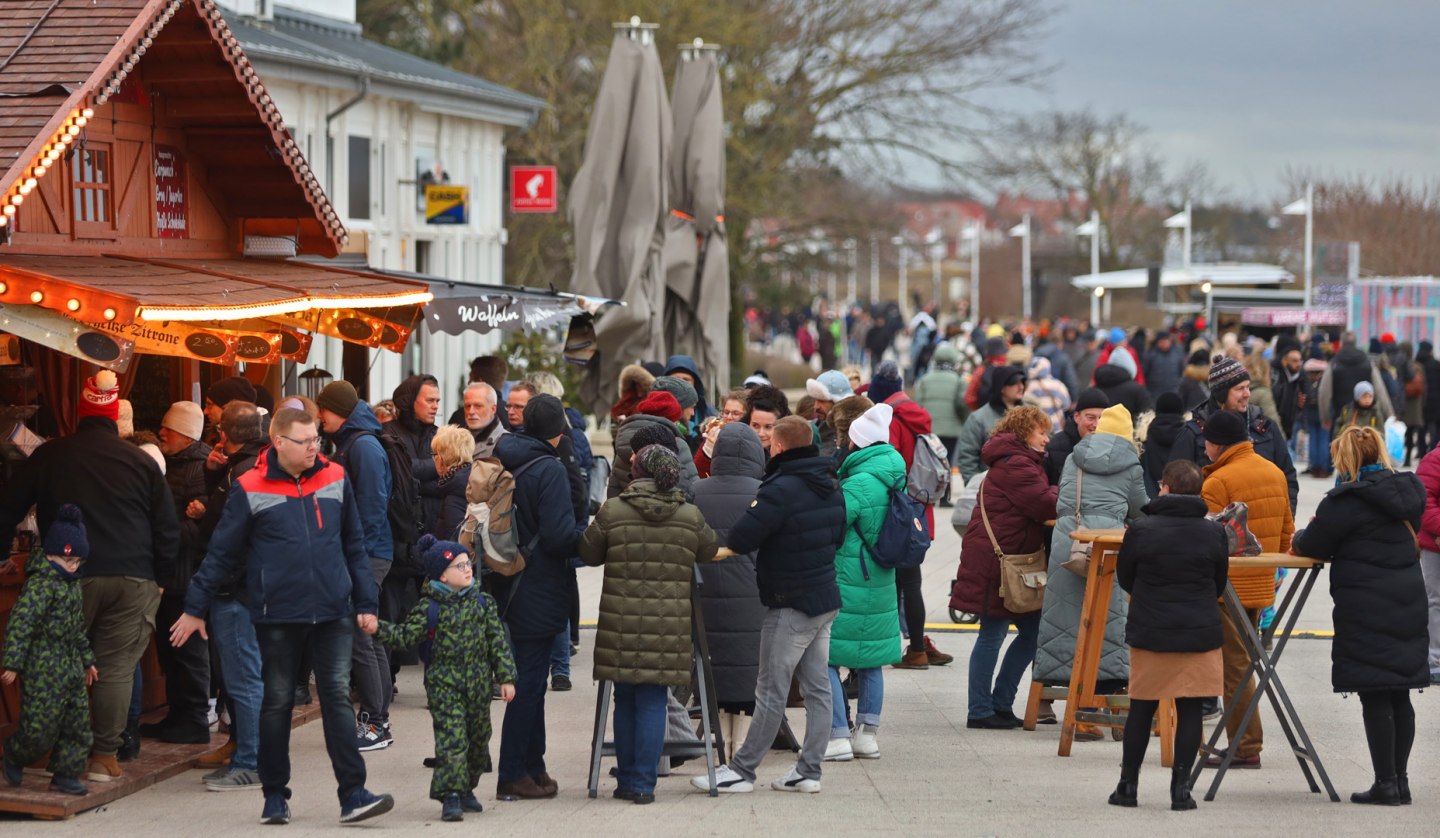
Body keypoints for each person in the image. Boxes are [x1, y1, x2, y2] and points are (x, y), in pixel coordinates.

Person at [171, 408, 392, 825]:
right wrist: (195, 607)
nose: (315, 447)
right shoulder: (248, 485)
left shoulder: (335, 476)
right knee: (275, 704)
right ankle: (274, 796)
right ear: (279, 444)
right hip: (277, 615)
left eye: (316, 439)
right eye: (306, 441)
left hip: (332, 611)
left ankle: (354, 794)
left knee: (337, 700)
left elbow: (354, 544)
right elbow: (221, 553)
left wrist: (366, 603)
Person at [0, 371, 178, 784]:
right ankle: (103, 758)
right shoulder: (140, 460)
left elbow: (8, 509)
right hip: (133, 576)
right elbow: (166, 527)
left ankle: (52, 751)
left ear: (79, 414)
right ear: (114, 416)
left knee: (60, 667)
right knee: (115, 669)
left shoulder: (49, 455)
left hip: (66, 578)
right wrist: (162, 578)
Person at [693, 416, 844, 794]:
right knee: (818, 687)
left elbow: (744, 535)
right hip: (824, 596)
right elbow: (838, 535)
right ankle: (809, 771)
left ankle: (742, 771)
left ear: (777, 447)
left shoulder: (779, 487)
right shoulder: (829, 482)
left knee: (770, 689)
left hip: (789, 602)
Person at [1291, 427, 1427, 805]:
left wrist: (1298, 538)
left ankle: (1384, 783)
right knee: (1400, 692)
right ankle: (1400, 781)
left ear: (1345, 460)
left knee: (1375, 694)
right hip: (1407, 599)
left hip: (1367, 604)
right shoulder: (1405, 494)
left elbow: (1314, 542)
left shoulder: (1345, 502)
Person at [581, 444, 717, 803]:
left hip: (619, 625)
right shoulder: (689, 515)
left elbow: (589, 553)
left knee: (624, 698)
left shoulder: (613, 511)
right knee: (655, 699)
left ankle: (626, 778)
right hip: (668, 627)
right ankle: (644, 784)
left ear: (636, 472)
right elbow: (709, 549)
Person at [369, 536, 516, 821]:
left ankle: (466, 789)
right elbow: (404, 636)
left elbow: (498, 643)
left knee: (478, 740)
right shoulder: (429, 608)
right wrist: (378, 629)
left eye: (468, 563)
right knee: (452, 740)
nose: (467, 569)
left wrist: (506, 677)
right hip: (444, 686)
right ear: (442, 575)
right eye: (459, 565)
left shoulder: (483, 603)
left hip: (478, 687)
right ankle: (450, 795)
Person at [1109, 460, 1228, 811]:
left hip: (1151, 629)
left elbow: (1125, 577)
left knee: (1142, 708)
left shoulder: (1142, 529)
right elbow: (1218, 582)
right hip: (1200, 632)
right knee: (1191, 709)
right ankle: (1181, 790)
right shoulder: (1214, 531)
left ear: (1165, 487)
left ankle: (1127, 786)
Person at [492, 395, 587, 800]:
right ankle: (513, 773)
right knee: (530, 682)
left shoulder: (508, 454)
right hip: (540, 584)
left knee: (530, 678)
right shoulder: (548, 468)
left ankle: (535, 766)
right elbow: (559, 534)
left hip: (510, 579)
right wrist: (590, 544)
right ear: (559, 430)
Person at [1034, 404, 1148, 737]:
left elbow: (1062, 500)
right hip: (1108, 544)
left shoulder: (1073, 457)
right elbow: (1141, 507)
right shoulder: (1130, 464)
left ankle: (1054, 697)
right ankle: (1108, 703)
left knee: (1062, 618)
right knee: (1110, 621)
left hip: (1068, 541)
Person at [1198, 409, 1294, 770]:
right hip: (1262, 580)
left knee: (1234, 666)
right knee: (1246, 661)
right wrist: (1272, 568)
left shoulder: (1217, 482)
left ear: (1216, 443)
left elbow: (1206, 542)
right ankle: (1243, 740)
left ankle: (1245, 745)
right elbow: (1287, 528)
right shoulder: (1274, 472)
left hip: (1227, 587)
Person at [950, 406, 1058, 729]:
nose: (1047, 438)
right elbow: (1044, 503)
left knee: (1033, 633)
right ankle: (981, 710)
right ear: (1026, 432)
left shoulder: (1017, 460)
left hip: (1008, 562)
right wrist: (1064, 490)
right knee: (992, 635)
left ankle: (999, 703)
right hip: (998, 565)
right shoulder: (1018, 464)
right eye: (1042, 432)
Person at [316, 380, 396, 753]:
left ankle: (376, 723)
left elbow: (372, 507)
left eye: (324, 411)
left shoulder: (362, 446)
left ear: (340, 411)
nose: (319, 419)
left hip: (367, 554)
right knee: (368, 635)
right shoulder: (355, 442)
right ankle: (377, 719)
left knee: (359, 635)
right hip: (367, 552)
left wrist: (354, 557)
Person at [192, 401, 267, 790]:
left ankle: (250, 762)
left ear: (225, 433)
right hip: (251, 585)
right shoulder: (257, 467)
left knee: (242, 678)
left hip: (236, 587)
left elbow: (226, 538)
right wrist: (211, 475)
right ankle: (244, 751)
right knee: (244, 675)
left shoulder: (244, 474)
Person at [1, 505, 100, 796]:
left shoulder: (72, 586)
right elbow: (21, 623)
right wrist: (13, 662)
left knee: (78, 725)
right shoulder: (41, 585)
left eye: (77, 561)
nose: (72, 566)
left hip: (69, 666)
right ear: (50, 555)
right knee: (39, 726)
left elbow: (77, 628)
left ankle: (65, 774)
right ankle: (16, 754)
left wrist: (87, 660)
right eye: (66, 559)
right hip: (43, 668)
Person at [824, 404, 905, 761]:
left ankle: (838, 733)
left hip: (848, 578)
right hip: (882, 576)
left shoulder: (858, 482)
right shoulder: (894, 475)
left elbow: (834, 525)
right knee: (870, 660)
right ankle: (867, 734)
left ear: (856, 444)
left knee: (826, 658)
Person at [868, 361, 952, 669]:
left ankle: (909, 648)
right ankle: (916, 647)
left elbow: (889, 467)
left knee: (894, 583)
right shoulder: (916, 415)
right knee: (910, 581)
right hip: (920, 510)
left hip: (897, 514)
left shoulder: (891, 421)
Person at [692, 423, 769, 754]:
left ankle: (720, 740)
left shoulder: (696, 491)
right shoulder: (765, 492)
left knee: (714, 667)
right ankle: (740, 746)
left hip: (704, 598)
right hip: (754, 598)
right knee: (749, 668)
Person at [146, 401, 213, 745]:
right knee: (170, 650)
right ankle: (178, 715)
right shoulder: (169, 464)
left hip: (187, 576)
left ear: (185, 434)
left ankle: (195, 719)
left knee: (186, 650)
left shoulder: (199, 468)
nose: (161, 433)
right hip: (169, 573)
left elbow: (204, 526)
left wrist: (167, 540)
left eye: (167, 429)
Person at [1170, 355, 1300, 515]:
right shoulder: (1193, 433)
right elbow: (1175, 487)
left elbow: (1289, 479)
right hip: (1211, 531)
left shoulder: (1265, 428)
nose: (1247, 394)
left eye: (1248, 387)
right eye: (1239, 389)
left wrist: (1286, 516)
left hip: (1264, 529)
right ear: (1221, 394)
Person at [954, 365, 1026, 482]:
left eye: (1023, 382)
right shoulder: (978, 418)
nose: (1021, 387)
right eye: (1014, 383)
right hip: (991, 488)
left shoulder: (1032, 415)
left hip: (1025, 487)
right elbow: (967, 456)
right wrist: (976, 486)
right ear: (1001, 387)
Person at [1318, 335, 1394, 432]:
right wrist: (1390, 414)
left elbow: (1324, 393)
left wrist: (1325, 417)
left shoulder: (1334, 364)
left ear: (1342, 344)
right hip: (1367, 419)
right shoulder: (1367, 363)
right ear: (1355, 343)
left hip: (1341, 417)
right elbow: (1380, 391)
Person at [912, 345, 968, 467]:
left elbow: (918, 404)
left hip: (930, 430)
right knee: (947, 463)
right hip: (951, 430)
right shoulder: (959, 381)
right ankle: (947, 485)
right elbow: (962, 405)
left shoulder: (925, 380)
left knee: (931, 465)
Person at [1045, 388, 1110, 486]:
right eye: (1090, 418)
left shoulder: (1113, 446)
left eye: (1102, 418)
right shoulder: (1054, 446)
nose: (1096, 424)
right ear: (1076, 417)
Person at [1417, 443, 1440, 685]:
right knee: (1436, 601)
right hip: (1436, 544)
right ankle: (1434, 661)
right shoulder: (1434, 460)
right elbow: (1423, 500)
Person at [430, 425, 475, 541]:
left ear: (439, 459)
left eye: (433, 455)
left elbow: (454, 543)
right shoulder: (472, 477)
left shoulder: (454, 491)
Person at [1141, 393, 1186, 499]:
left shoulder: (1144, 435)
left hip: (1151, 497)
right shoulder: (1188, 435)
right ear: (1181, 411)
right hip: (1183, 497)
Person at [807, 370, 855, 458]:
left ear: (839, 402)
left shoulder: (854, 434)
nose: (816, 406)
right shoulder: (812, 428)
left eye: (822, 401)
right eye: (815, 400)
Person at [1094, 347, 1152, 419]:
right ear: (1131, 368)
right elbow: (1147, 418)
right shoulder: (1138, 391)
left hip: (1099, 429)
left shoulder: (1095, 389)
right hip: (1129, 429)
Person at [459, 382, 508, 460]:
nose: (471, 411)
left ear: (493, 409)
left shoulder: (507, 444)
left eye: (478, 406)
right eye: (467, 406)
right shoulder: (455, 441)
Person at [1025, 356, 1072, 434]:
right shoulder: (1058, 384)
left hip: (1038, 428)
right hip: (1057, 427)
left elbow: (1025, 405)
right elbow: (1066, 405)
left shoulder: (1030, 385)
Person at [1142, 330, 1186, 400]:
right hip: (1155, 393)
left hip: (1174, 391)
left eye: (1166, 341)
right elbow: (1144, 373)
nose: (1165, 344)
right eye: (1162, 342)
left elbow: (1181, 370)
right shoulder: (1150, 354)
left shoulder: (1177, 353)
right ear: (1158, 342)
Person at [1177, 349, 1211, 414]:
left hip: (1191, 416)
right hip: (1209, 415)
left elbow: (1180, 402)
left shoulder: (1187, 379)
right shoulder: (1213, 377)